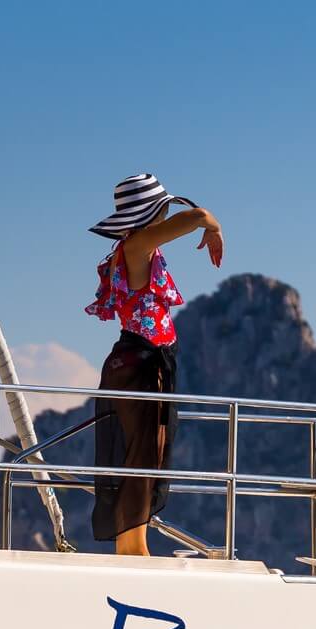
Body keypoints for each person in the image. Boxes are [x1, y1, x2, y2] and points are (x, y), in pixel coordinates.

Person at [83, 173, 224, 556]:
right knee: (143, 457)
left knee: (143, 456)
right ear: (154, 212)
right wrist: (211, 223)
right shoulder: (138, 245)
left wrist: (203, 220)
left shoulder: (136, 249)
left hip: (142, 359)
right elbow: (195, 217)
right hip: (142, 362)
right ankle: (133, 548)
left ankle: (132, 545)